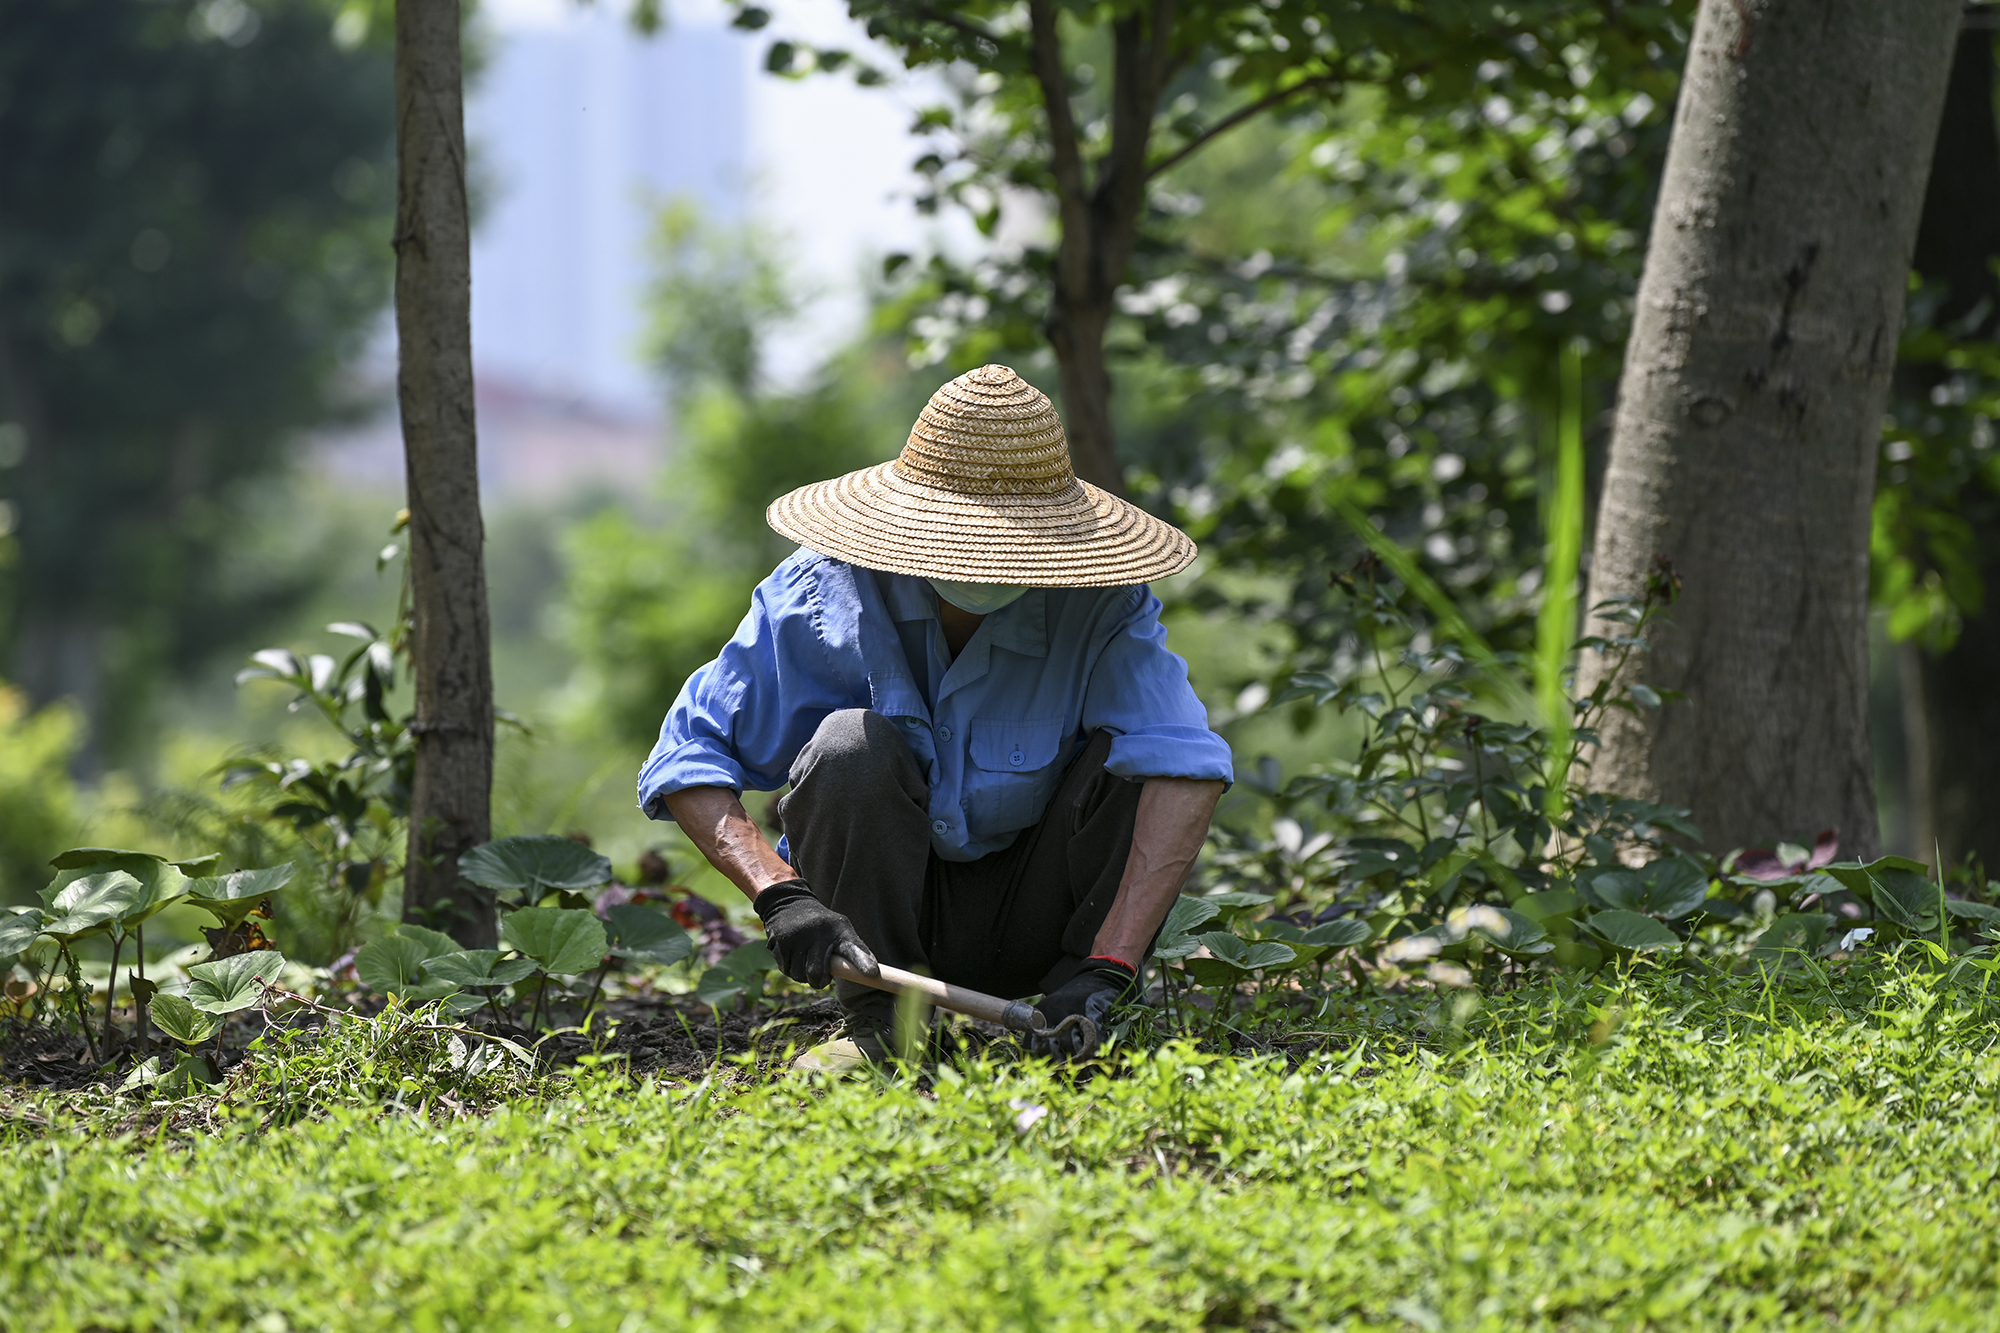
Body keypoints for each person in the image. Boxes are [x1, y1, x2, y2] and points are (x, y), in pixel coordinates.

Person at [637, 364, 1231, 1068]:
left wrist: (1115, 963)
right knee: (848, 745)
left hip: (1038, 913)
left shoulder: (1101, 605)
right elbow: (688, 754)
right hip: (880, 933)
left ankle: (1080, 1010)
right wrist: (780, 896)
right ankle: (884, 1026)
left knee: (1142, 759)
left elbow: (1188, 768)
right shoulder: (822, 589)